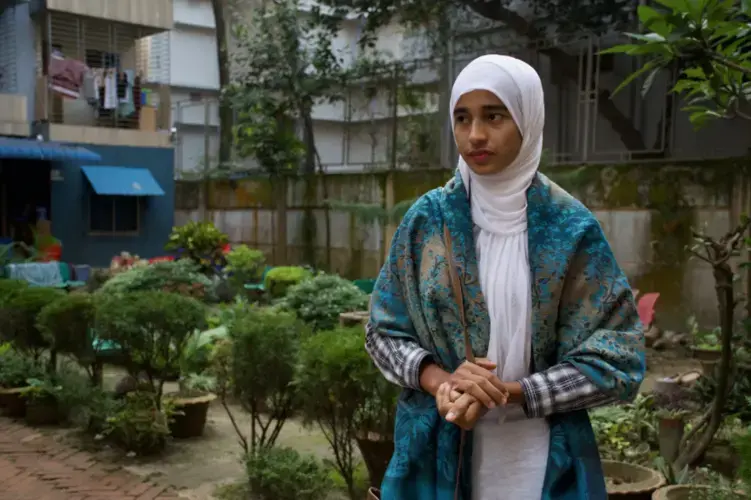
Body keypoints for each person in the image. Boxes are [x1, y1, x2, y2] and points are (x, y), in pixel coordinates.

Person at [365, 54, 645, 500]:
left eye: (493, 116)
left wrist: (512, 392)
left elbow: (619, 359)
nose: (474, 135)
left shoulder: (570, 230)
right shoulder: (427, 223)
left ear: (527, 119)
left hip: (539, 462)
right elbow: (381, 332)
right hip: (435, 457)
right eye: (462, 118)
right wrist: (444, 383)